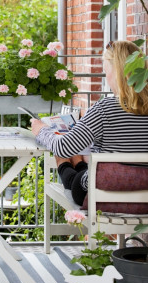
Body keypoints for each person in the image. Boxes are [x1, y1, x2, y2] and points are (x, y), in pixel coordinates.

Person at [31, 40, 148, 206]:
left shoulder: (105, 108)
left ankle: (71, 162)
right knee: (84, 165)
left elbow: (63, 147)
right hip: (144, 197)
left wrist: (41, 129)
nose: (106, 77)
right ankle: (78, 161)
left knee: (63, 157)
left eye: (106, 71)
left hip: (103, 194)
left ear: (117, 73)